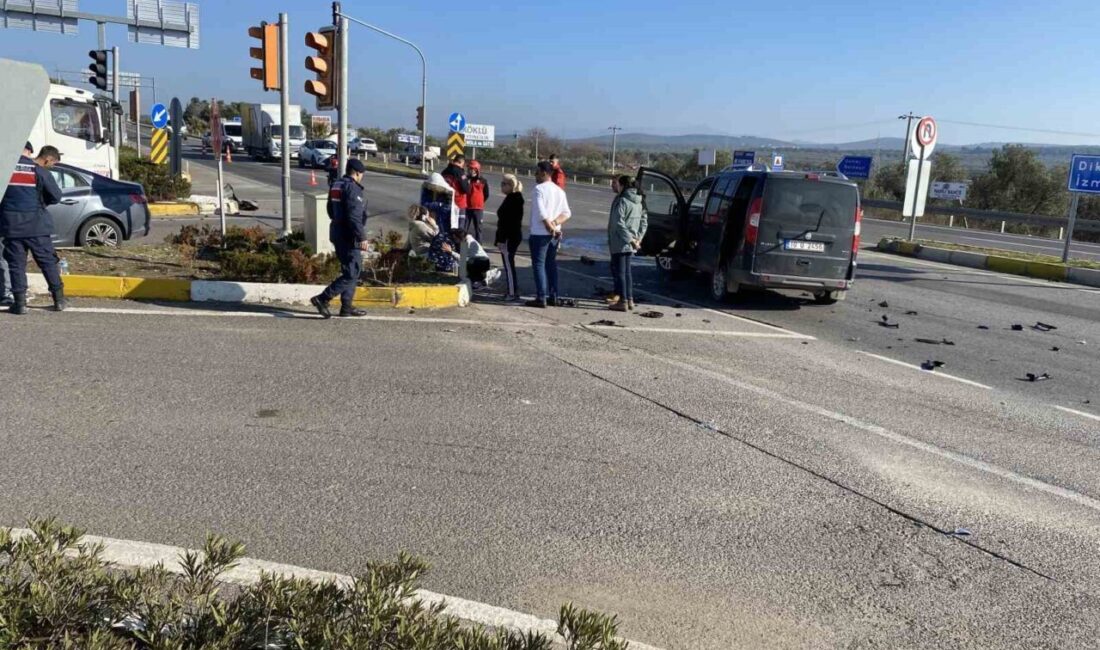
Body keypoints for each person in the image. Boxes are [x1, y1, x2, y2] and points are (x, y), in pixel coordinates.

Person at [1, 145, 65, 315]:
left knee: (16, 265)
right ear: (47, 159)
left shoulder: (5, 168)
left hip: (11, 226)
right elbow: (57, 196)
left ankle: (20, 303)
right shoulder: (39, 171)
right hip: (36, 226)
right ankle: (59, 300)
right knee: (47, 263)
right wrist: (41, 203)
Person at [311, 158, 370, 319]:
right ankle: (322, 299)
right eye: (362, 174)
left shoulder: (336, 184)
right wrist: (361, 237)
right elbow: (354, 216)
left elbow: (330, 208)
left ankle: (347, 307)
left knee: (350, 270)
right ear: (357, 173)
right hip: (349, 234)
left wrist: (338, 221)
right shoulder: (352, 188)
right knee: (352, 272)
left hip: (337, 231)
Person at [526, 161, 571, 308]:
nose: (535, 175)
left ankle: (541, 297)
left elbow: (541, 213)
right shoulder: (559, 191)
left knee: (539, 265)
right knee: (551, 264)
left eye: (537, 172)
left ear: (545, 173)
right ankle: (553, 295)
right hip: (554, 235)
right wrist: (555, 225)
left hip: (540, 234)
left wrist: (550, 227)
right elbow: (567, 213)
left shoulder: (539, 189)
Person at [606, 175, 648, 312]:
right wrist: (638, 239)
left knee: (620, 273)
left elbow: (618, 223)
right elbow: (644, 222)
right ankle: (629, 299)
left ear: (623, 185)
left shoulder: (622, 201)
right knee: (627, 272)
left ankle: (623, 301)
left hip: (621, 241)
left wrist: (629, 239)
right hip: (632, 242)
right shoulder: (639, 201)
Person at [0, 142, 32, 307]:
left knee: (8, 258)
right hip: (12, 222)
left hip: (9, 221)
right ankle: (9, 293)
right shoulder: (29, 169)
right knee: (10, 258)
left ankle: (9, 292)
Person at [494, 174, 524, 301]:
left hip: (509, 237)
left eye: (503, 184)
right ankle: (512, 290)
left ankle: (512, 292)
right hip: (510, 236)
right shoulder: (512, 198)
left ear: (511, 185)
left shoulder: (513, 199)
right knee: (508, 264)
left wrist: (501, 240)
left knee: (509, 265)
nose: (501, 186)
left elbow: (508, 222)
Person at [440, 154, 470, 230]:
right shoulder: (460, 173)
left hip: (446, 201)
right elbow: (465, 189)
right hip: (459, 203)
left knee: (446, 226)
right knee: (459, 228)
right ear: (462, 162)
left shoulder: (444, 171)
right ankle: (456, 241)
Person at [465, 160, 490, 242]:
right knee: (463, 229)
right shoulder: (465, 179)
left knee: (478, 230)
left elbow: (486, 194)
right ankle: (462, 249)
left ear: (477, 170)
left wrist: (480, 202)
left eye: (473, 169)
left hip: (478, 209)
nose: (471, 171)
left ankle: (478, 249)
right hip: (467, 208)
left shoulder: (483, 181)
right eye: (470, 169)